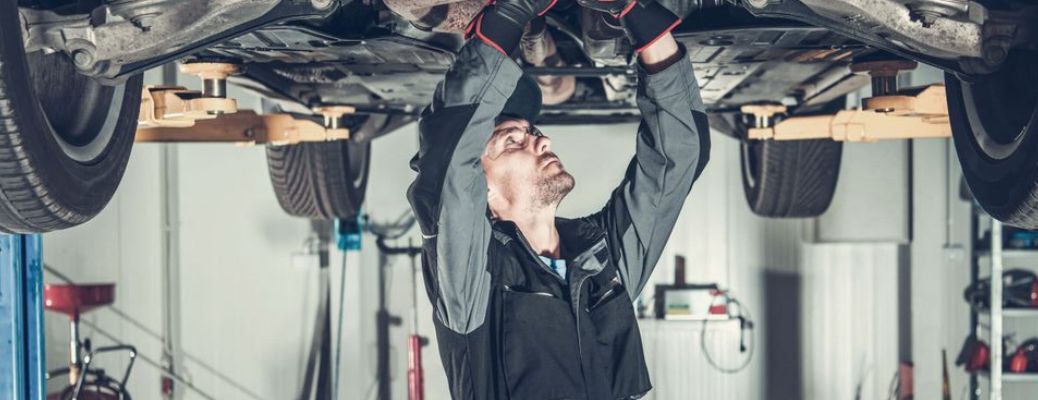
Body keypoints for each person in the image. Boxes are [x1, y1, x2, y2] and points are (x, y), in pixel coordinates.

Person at [406, 0, 710, 396]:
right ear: (484, 190)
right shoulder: (598, 264)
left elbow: (446, 163)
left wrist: (513, 14)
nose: (543, 139)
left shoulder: (490, 277)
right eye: (513, 140)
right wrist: (638, 14)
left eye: (529, 132)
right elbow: (679, 159)